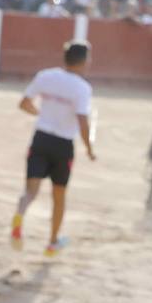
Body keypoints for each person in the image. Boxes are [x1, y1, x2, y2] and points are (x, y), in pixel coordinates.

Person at [10, 41, 96, 256]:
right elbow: (83, 122)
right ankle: (52, 242)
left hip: (40, 139)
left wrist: (40, 115)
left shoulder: (45, 76)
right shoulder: (82, 88)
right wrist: (89, 148)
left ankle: (20, 213)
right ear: (84, 61)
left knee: (30, 192)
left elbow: (24, 104)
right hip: (63, 145)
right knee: (59, 195)